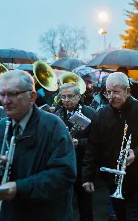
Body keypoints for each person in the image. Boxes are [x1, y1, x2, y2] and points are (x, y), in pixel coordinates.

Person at [0, 70, 77, 221]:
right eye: (2, 94)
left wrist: (19, 188)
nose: (5, 101)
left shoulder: (54, 126)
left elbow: (64, 174)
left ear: (32, 97)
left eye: (13, 94)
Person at [82, 72, 138, 221]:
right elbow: (92, 146)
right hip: (112, 180)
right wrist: (87, 176)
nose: (111, 96)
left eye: (116, 92)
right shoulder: (101, 115)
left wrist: (137, 152)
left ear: (127, 91)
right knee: (121, 217)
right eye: (108, 92)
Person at [54, 83, 96, 221]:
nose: (66, 100)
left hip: (83, 164)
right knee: (62, 203)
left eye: (70, 96)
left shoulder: (90, 113)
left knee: (85, 203)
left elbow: (97, 140)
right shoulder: (57, 114)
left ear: (79, 97)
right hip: (63, 164)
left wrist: (80, 142)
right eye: (63, 97)